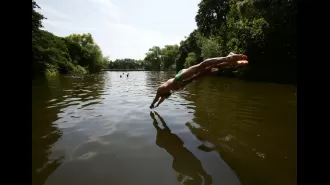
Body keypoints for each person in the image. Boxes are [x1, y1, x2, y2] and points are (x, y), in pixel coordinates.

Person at [149, 52, 248, 109]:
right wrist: (157, 104)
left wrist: (153, 104)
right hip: (185, 81)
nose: (161, 98)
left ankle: (228, 58)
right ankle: (232, 63)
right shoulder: (165, 93)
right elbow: (161, 98)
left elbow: (157, 97)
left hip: (179, 78)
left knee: (202, 66)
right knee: (207, 70)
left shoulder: (160, 90)